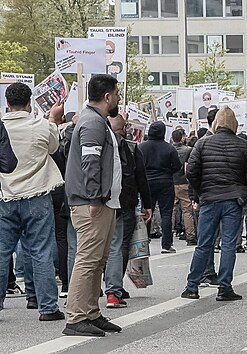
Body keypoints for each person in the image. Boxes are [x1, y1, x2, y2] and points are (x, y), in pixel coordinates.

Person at [0, 83, 64, 322]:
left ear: (7, 103)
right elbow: (54, 147)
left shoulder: (0, 126)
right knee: (41, 251)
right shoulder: (41, 125)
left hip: (4, 195)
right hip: (37, 194)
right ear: (29, 103)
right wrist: (52, 119)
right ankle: (47, 307)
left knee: (1, 252)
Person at [182, 107, 247, 301]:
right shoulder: (243, 145)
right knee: (228, 245)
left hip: (209, 199)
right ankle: (225, 287)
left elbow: (191, 171)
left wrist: (201, 191)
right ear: (234, 124)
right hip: (233, 199)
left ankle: (192, 287)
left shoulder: (202, 143)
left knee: (203, 244)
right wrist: (246, 191)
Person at [64, 74, 123, 336]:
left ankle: (91, 312)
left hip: (102, 200)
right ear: (108, 96)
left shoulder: (95, 121)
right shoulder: (93, 123)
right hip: (93, 202)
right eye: (117, 93)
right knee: (88, 259)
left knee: (98, 259)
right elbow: (90, 162)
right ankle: (76, 317)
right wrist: (95, 197)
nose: (119, 98)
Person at [104, 114, 152, 308]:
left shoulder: (101, 144)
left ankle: (101, 285)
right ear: (123, 128)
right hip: (126, 202)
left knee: (99, 245)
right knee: (120, 245)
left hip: (102, 201)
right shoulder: (131, 148)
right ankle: (114, 287)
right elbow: (142, 178)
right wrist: (147, 203)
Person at [138, 121, 182, 254]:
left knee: (146, 212)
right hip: (165, 182)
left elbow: (137, 166)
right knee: (166, 213)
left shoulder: (141, 147)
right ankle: (167, 244)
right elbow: (177, 167)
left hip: (147, 182)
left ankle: (143, 243)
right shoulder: (169, 148)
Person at [172, 129, 196, 246]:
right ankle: (190, 236)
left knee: (170, 210)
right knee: (187, 211)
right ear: (182, 137)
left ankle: (168, 235)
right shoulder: (188, 150)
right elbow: (189, 168)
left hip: (171, 182)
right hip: (184, 182)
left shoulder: (169, 149)